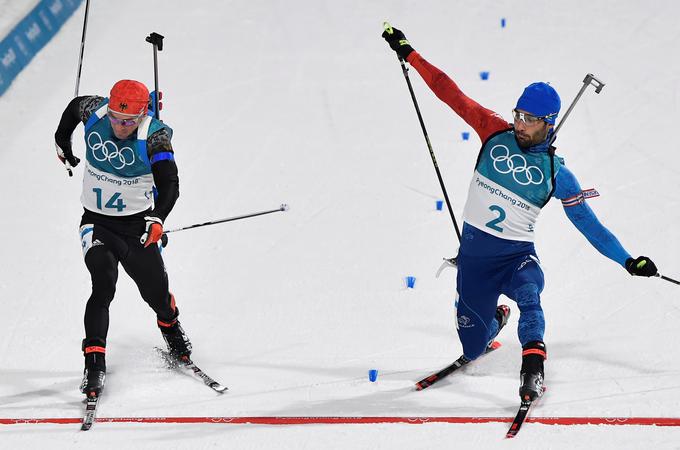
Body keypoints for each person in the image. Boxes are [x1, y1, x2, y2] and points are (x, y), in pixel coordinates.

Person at [382, 27, 659, 401]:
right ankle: (493, 320)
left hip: (516, 258)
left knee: (531, 296)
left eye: (529, 118)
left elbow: (590, 227)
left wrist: (628, 260)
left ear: (549, 122)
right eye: (518, 114)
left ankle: (533, 372)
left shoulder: (557, 174)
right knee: (473, 344)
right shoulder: (493, 131)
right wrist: (410, 54)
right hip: (475, 263)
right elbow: (452, 94)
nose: (519, 123)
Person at [54, 80, 193, 398]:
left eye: (128, 121)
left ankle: (170, 327)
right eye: (116, 117)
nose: (120, 125)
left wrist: (158, 218)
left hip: (137, 228)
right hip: (97, 223)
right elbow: (74, 106)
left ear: (143, 114)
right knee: (102, 282)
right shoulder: (96, 110)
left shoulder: (154, 135)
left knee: (156, 293)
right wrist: (63, 142)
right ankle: (94, 362)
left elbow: (170, 184)